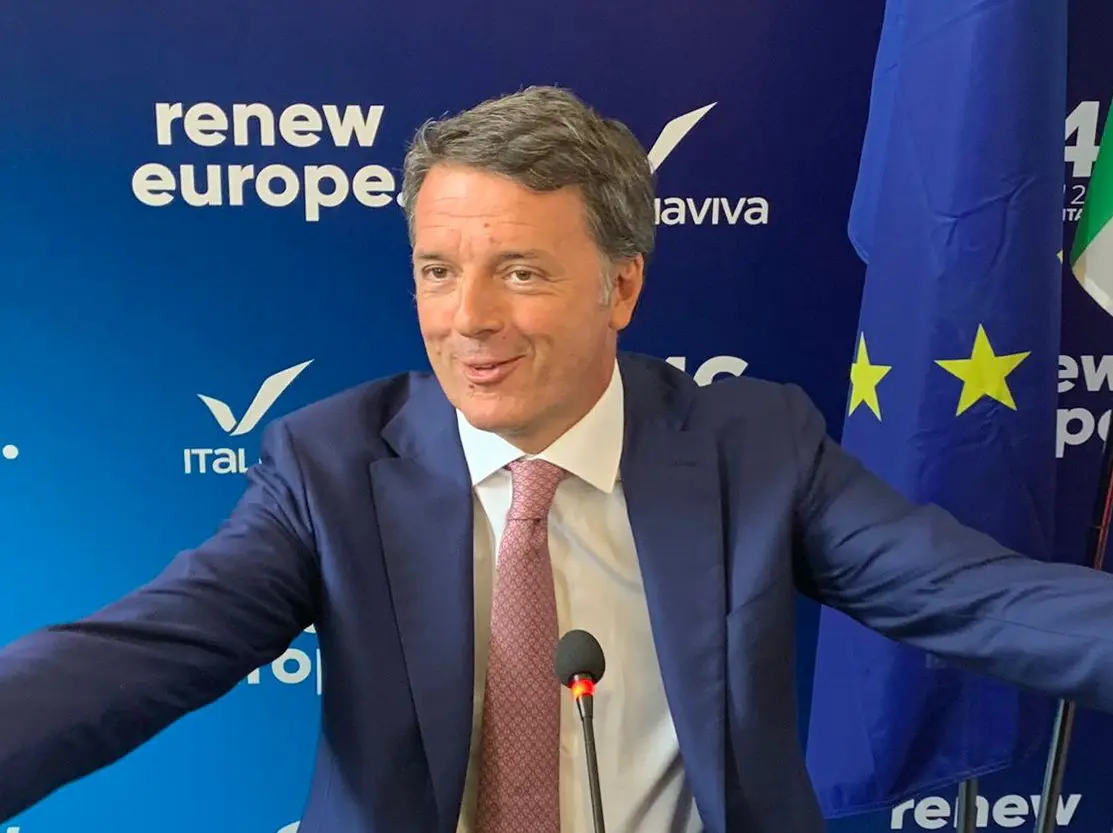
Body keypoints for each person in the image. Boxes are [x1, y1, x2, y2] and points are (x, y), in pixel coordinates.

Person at [3, 84, 1113, 833]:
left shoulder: (753, 444)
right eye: (438, 271)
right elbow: (144, 651)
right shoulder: (328, 463)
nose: (468, 319)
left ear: (620, 287)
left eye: (521, 272)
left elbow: (985, 599)